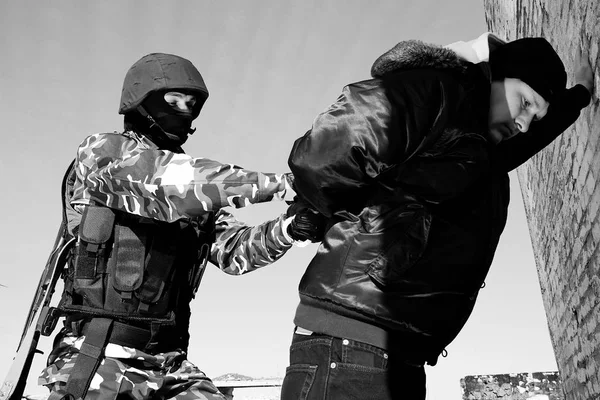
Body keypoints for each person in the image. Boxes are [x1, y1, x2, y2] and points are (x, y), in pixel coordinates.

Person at [280, 33, 594, 400]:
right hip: (351, 339)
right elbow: (317, 158)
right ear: (495, 76)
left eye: (535, 115)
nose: (524, 123)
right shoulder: (436, 94)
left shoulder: (480, 150)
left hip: (397, 351)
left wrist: (580, 95)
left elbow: (534, 134)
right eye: (525, 102)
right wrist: (329, 209)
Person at [37, 53, 323, 400]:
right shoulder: (103, 153)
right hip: (98, 355)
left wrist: (290, 228)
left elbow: (234, 252)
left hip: (168, 362)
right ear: (141, 102)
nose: (184, 111)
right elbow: (162, 184)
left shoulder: (195, 190)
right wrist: (282, 184)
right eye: (173, 101)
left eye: (192, 105)